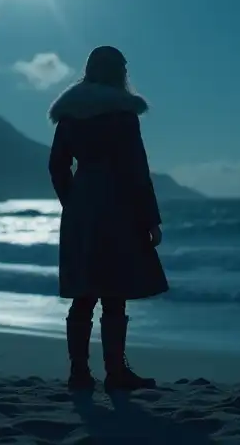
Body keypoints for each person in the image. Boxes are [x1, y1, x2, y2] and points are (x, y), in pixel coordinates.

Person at [48, 45, 169, 392]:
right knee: (115, 290)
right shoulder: (122, 112)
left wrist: (72, 203)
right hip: (118, 203)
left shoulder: (70, 112)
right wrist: (150, 219)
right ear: (118, 72)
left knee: (84, 291)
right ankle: (116, 372)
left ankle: (78, 373)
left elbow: (57, 165)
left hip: (83, 205)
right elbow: (136, 169)